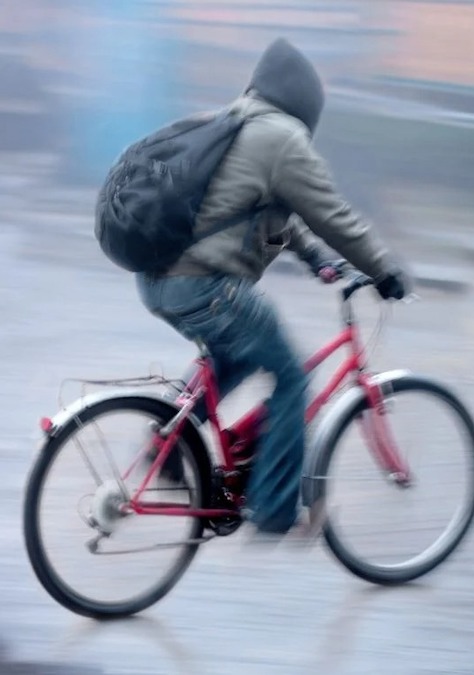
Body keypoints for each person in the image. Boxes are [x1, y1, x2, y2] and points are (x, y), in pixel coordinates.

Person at [135, 37, 409, 539]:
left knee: (233, 356)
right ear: (305, 103)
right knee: (291, 377)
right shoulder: (282, 138)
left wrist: (317, 261)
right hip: (204, 287)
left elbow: (273, 215)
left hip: (156, 281)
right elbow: (333, 215)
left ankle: (170, 445)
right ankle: (277, 510)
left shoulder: (231, 123)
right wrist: (384, 269)